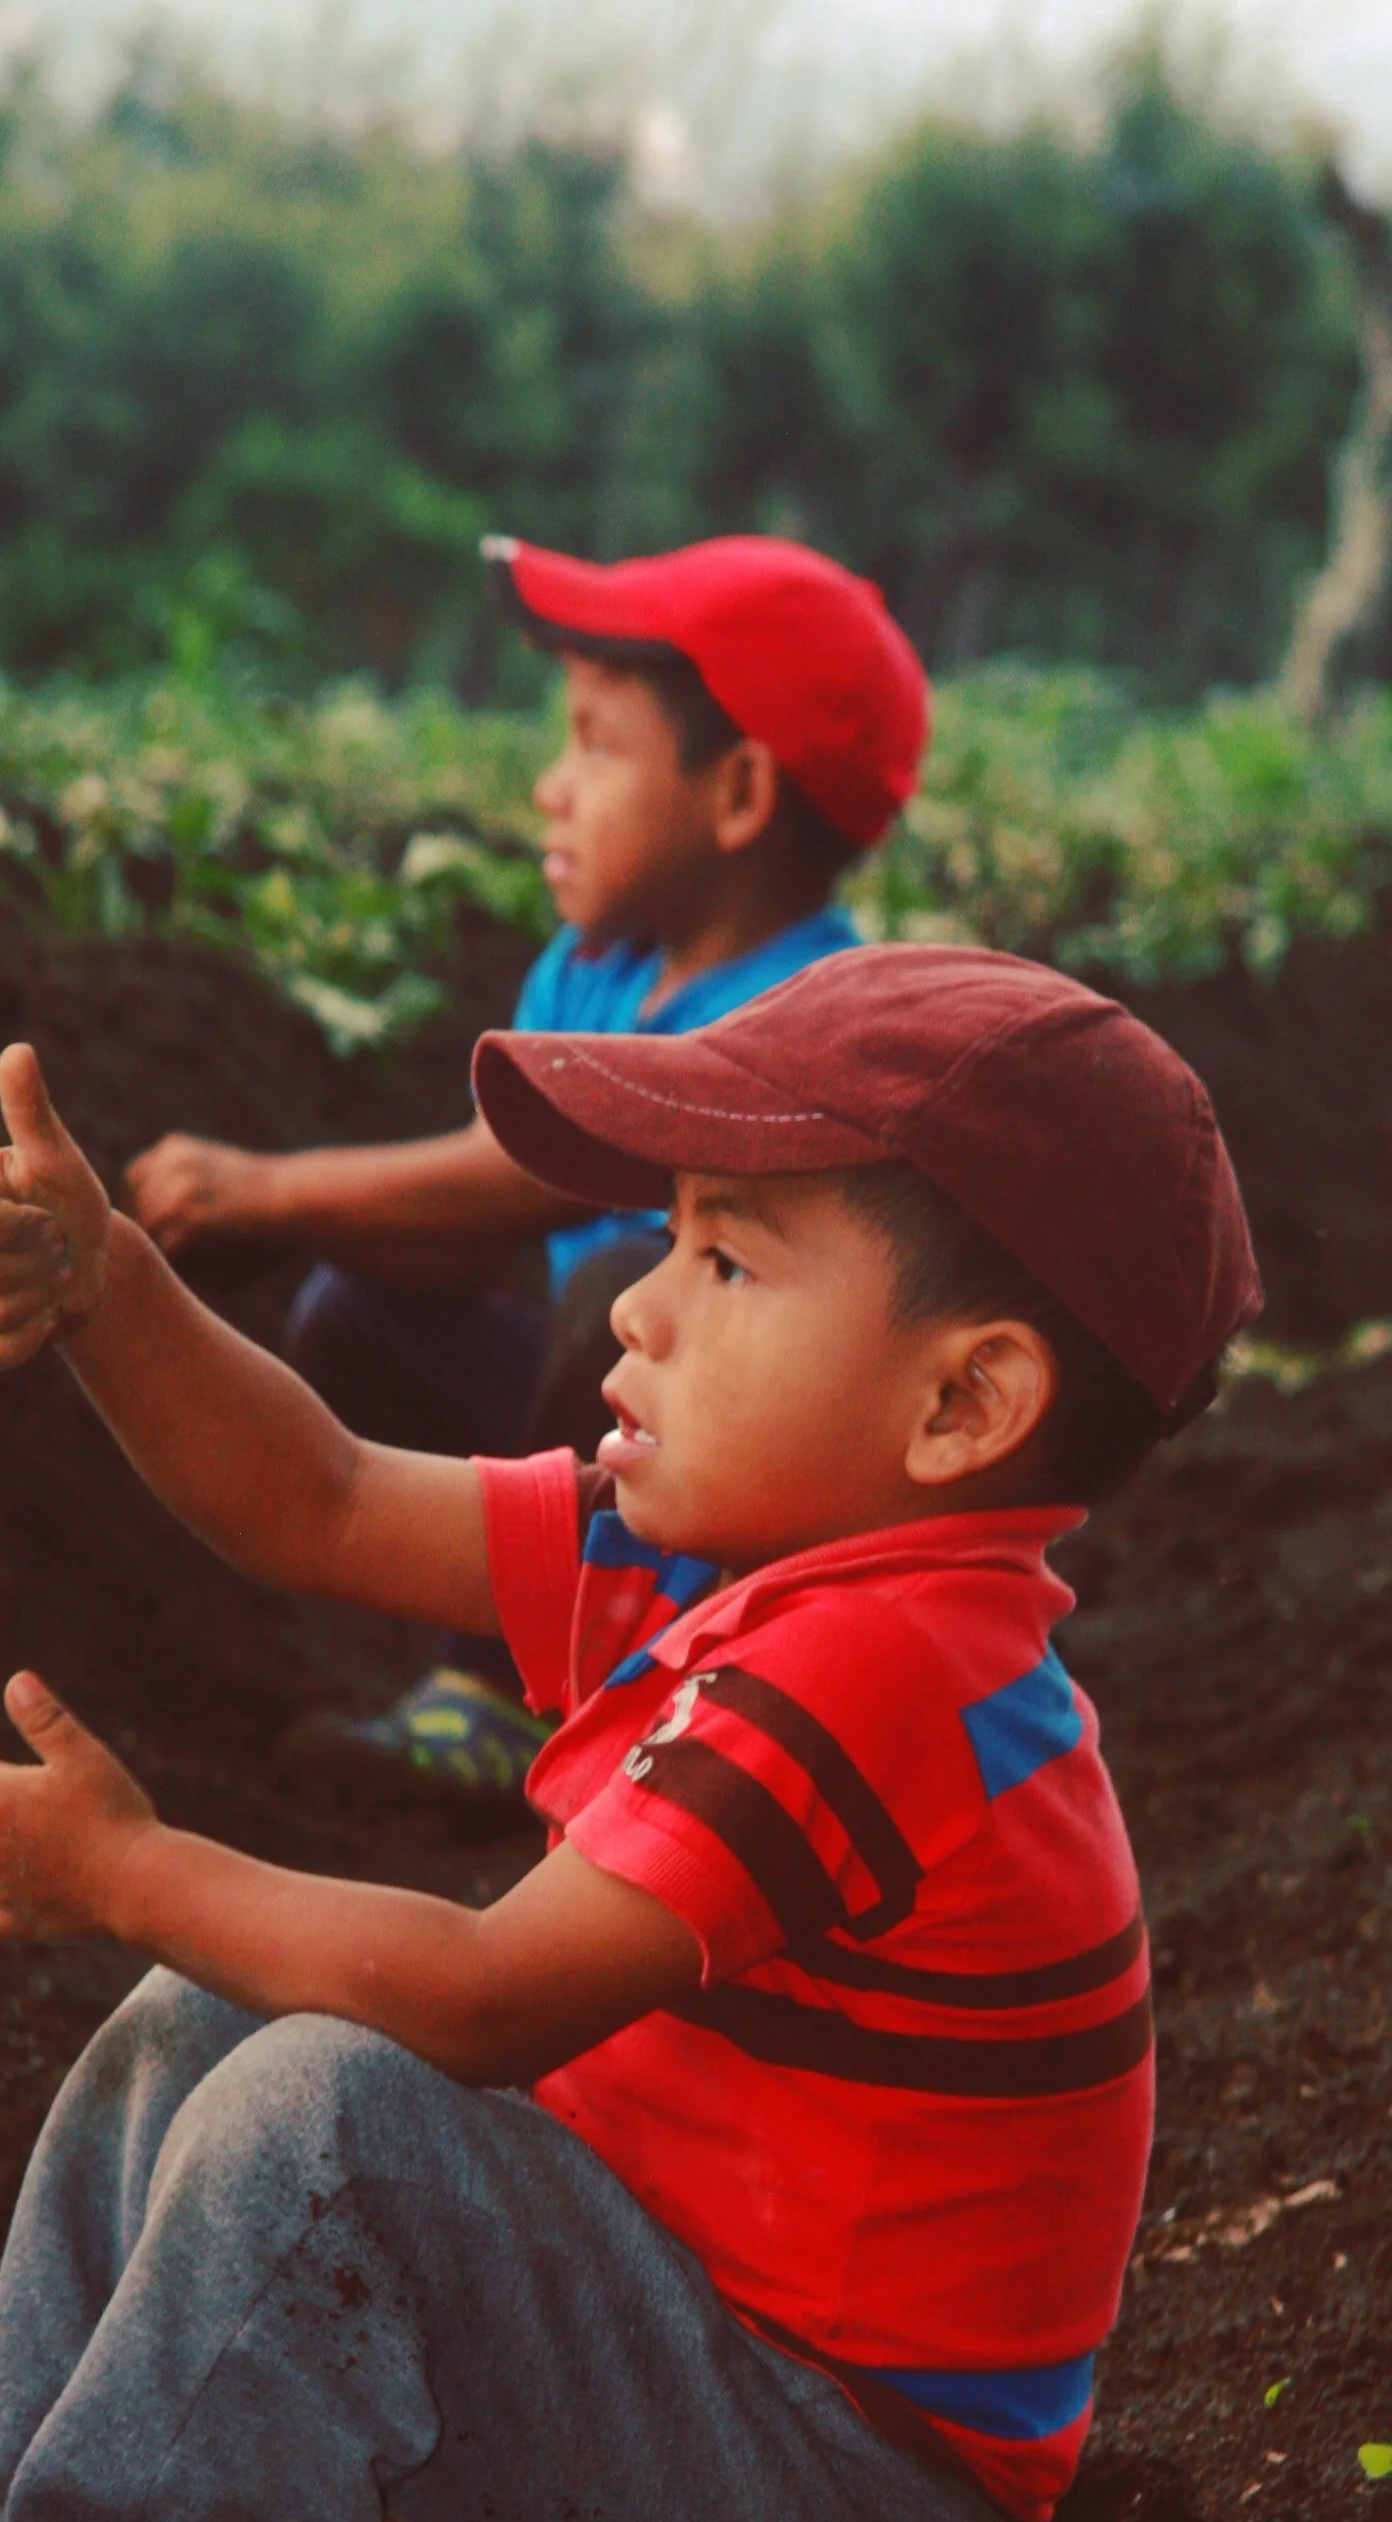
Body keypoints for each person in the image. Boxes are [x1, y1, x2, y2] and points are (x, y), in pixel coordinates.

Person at [0, 942, 1260, 2522]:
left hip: (846, 2491)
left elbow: (482, 2003)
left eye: (726, 1265)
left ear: (963, 1399)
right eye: (660, 1243)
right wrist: (109, 1285)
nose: (636, 1309)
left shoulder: (889, 1669)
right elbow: (312, 1494)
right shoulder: (736, 1548)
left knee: (331, 2114)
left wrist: (130, 1859)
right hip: (709, 2333)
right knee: (220, 1998)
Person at [125, 533, 929, 1804]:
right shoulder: (595, 968)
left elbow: (553, 1178)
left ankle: (510, 1695)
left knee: (617, 1273)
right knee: (358, 1310)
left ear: (738, 797)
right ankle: (556, 1659)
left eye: (595, 745)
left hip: (750, 1509)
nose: (550, 786)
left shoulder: (802, 1010)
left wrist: (270, 1191)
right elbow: (463, 1223)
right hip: (620, 1446)